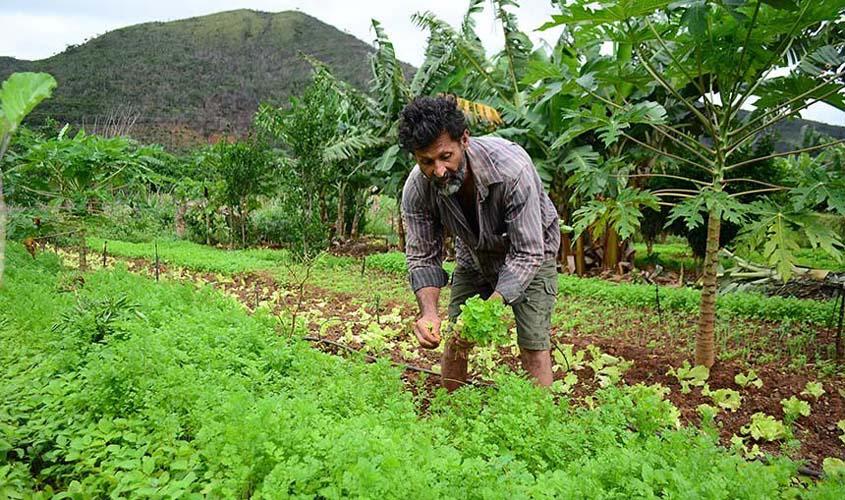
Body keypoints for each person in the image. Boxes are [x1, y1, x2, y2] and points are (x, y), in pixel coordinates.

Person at [399, 95, 560, 391]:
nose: (438, 171)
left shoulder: (512, 170)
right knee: (456, 340)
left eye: (446, 156)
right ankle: (452, 410)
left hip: (531, 254)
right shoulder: (417, 188)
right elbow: (422, 256)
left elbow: (526, 253)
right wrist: (429, 314)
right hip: (473, 254)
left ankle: (540, 424)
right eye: (426, 161)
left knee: (533, 345)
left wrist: (485, 313)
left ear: (464, 140)